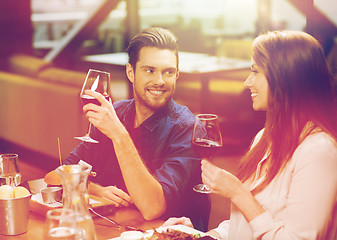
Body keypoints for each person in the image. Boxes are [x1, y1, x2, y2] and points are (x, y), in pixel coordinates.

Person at [163, 30, 337, 239]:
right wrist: (200, 235)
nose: (247, 82)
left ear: (284, 78)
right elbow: (245, 225)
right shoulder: (265, 137)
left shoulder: (319, 152)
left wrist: (238, 193)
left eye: (255, 72)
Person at [65, 27, 210, 231]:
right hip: (117, 229)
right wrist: (93, 188)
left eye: (168, 72)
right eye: (149, 70)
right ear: (130, 72)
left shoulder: (188, 128)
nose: (159, 81)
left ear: (177, 74)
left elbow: (152, 208)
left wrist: (118, 134)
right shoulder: (116, 112)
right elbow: (60, 174)